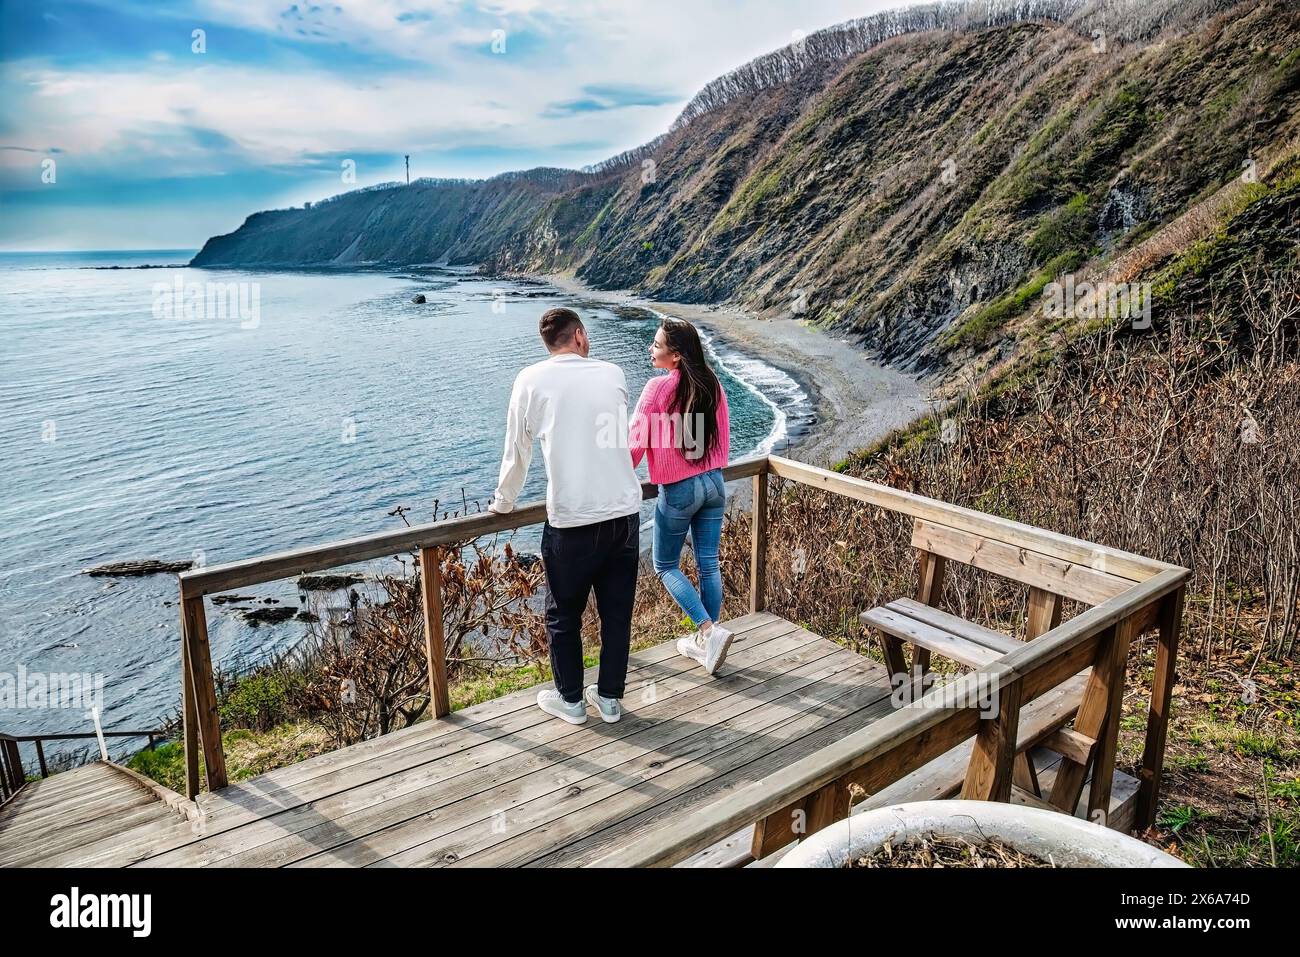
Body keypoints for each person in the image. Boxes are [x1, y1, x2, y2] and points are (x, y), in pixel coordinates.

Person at [489, 307, 642, 725]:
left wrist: (504, 503)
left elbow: (516, 452)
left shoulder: (529, 379)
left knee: (563, 615)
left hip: (573, 519)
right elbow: (613, 440)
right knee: (615, 613)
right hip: (624, 513)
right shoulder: (612, 374)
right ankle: (609, 699)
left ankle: (571, 700)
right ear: (579, 336)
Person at [631, 316, 732, 675]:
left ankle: (709, 630)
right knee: (709, 561)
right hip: (715, 483)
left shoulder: (657, 389)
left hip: (680, 490)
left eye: (657, 345)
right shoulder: (712, 382)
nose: (651, 349)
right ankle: (709, 643)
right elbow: (721, 435)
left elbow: (634, 447)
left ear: (675, 356)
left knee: (665, 566)